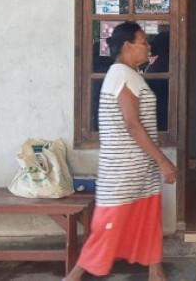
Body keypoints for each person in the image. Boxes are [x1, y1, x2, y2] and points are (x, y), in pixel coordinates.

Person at [65, 22, 177, 281]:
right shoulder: (120, 75)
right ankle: (73, 277)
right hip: (123, 168)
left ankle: (156, 273)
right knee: (109, 224)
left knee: (148, 218)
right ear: (127, 46)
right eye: (143, 42)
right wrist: (163, 161)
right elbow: (132, 124)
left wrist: (155, 161)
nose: (149, 47)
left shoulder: (130, 74)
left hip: (141, 166)